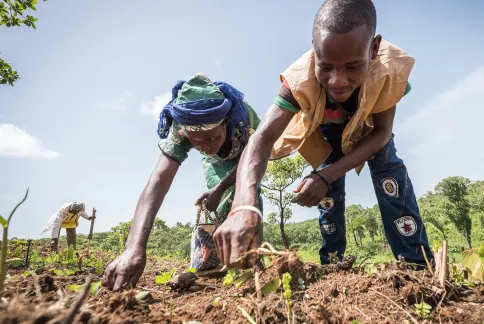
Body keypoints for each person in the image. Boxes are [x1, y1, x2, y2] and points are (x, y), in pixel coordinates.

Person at [214, 0, 434, 269]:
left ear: (374, 49)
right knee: (326, 196)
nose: (337, 81)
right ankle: (333, 264)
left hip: (370, 133)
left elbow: (382, 133)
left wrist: (325, 174)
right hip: (326, 134)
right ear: (314, 50)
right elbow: (260, 140)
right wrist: (243, 206)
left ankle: (417, 266)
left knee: (390, 176)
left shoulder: (389, 72)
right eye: (326, 67)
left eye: (352, 67)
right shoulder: (298, 80)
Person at [103, 73, 263, 291]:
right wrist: (134, 246)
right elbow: (159, 178)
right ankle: (220, 266)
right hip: (217, 163)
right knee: (219, 208)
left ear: (225, 123)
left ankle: (253, 263)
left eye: (212, 137)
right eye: (196, 142)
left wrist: (221, 188)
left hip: (247, 156)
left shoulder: (243, 119)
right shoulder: (180, 127)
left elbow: (254, 160)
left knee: (245, 202)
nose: (205, 146)